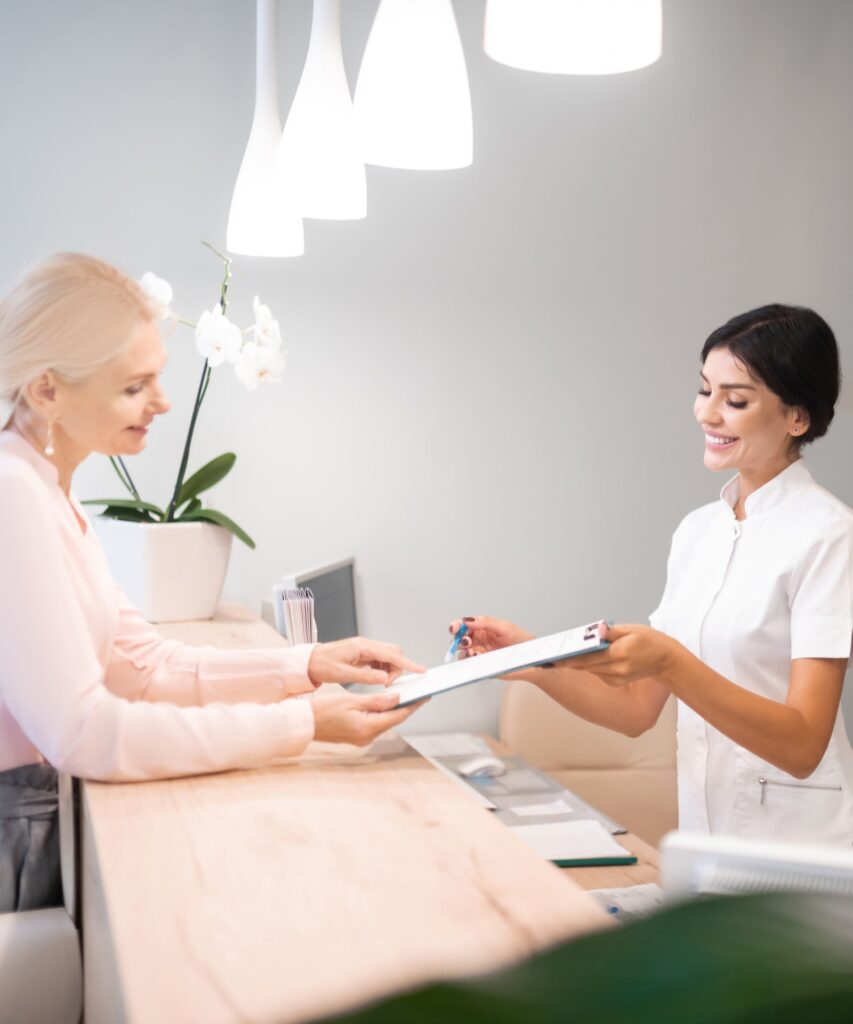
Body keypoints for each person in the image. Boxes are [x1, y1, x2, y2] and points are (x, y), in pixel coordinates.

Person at [0, 253, 424, 913]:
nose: (162, 403)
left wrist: (307, 665)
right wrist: (301, 724)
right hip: (18, 843)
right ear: (47, 389)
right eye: (134, 386)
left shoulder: (47, 491)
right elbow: (85, 731)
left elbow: (142, 665)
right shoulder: (12, 496)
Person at [454, 304, 853, 846]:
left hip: (799, 855)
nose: (707, 414)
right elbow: (636, 710)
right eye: (705, 390)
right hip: (705, 844)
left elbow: (804, 743)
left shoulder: (829, 536)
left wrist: (670, 661)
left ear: (797, 418)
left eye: (735, 400)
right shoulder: (698, 532)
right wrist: (528, 658)